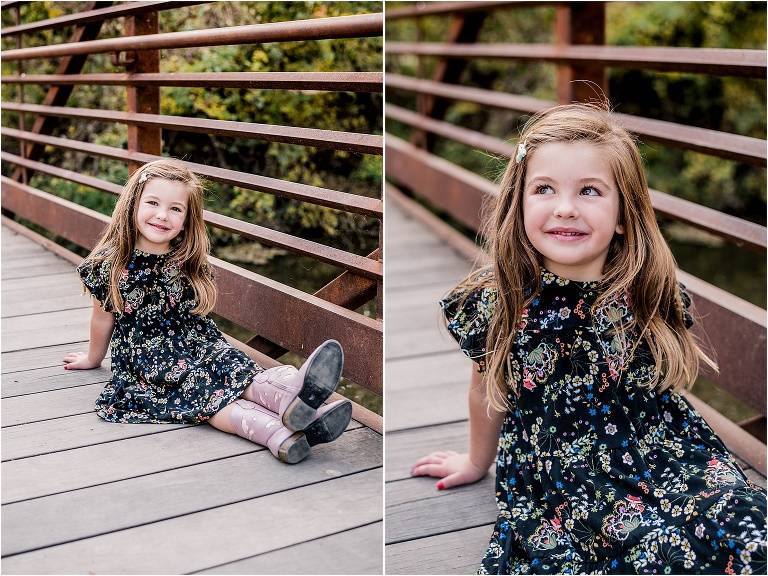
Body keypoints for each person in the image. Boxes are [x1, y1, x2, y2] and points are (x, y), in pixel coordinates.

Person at [411, 103, 767, 574]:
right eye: (544, 189)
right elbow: (486, 390)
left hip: (665, 450)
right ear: (518, 204)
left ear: (623, 214)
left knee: (746, 527)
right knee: (651, 552)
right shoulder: (498, 303)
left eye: (590, 191)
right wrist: (478, 461)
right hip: (568, 474)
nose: (565, 208)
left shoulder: (643, 289)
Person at [63, 158, 352, 465]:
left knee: (237, 368)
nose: (162, 215)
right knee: (205, 394)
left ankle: (290, 398)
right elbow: (101, 317)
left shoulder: (188, 258)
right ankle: (276, 434)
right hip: (148, 359)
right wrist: (93, 359)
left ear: (187, 219)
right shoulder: (110, 266)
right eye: (153, 203)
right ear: (133, 204)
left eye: (176, 208)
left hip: (200, 343)